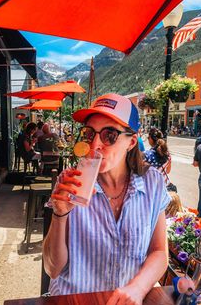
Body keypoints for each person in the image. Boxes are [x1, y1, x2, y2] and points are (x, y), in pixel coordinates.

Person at [43, 93, 171, 304]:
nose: (95, 145)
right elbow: (52, 269)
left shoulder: (152, 183)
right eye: (89, 133)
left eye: (109, 135)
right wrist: (60, 214)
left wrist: (137, 288)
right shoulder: (71, 184)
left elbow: (158, 252)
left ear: (131, 142)